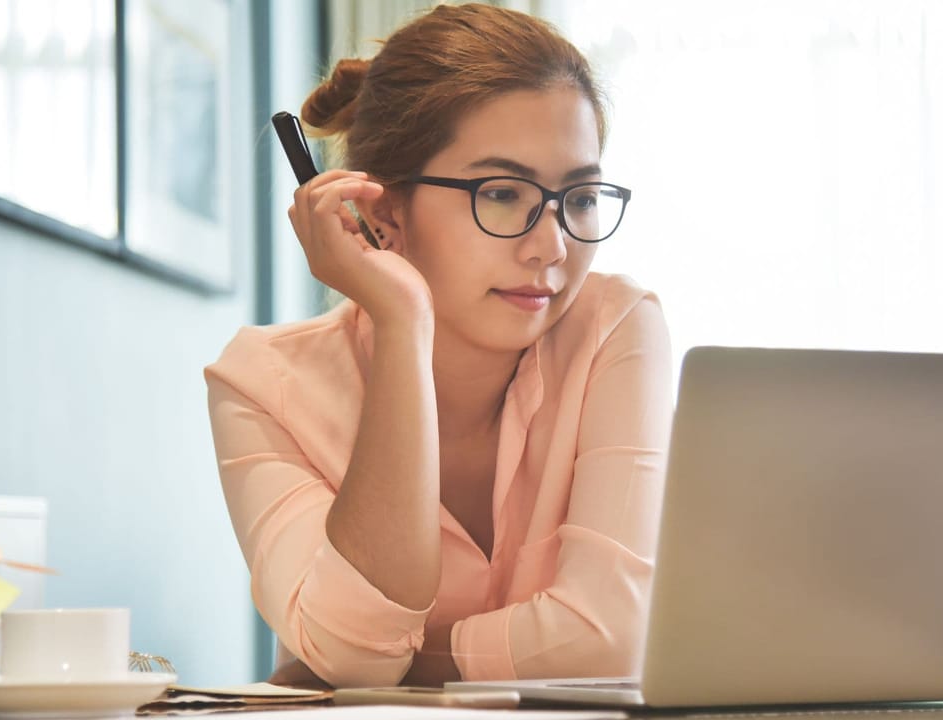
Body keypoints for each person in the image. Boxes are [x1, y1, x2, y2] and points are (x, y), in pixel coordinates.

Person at [205, 2, 672, 689]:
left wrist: (407, 663)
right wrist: (402, 319)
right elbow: (357, 652)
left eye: (578, 197)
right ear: (380, 212)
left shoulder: (615, 328)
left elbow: (607, 642)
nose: (552, 247)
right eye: (503, 193)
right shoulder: (261, 383)